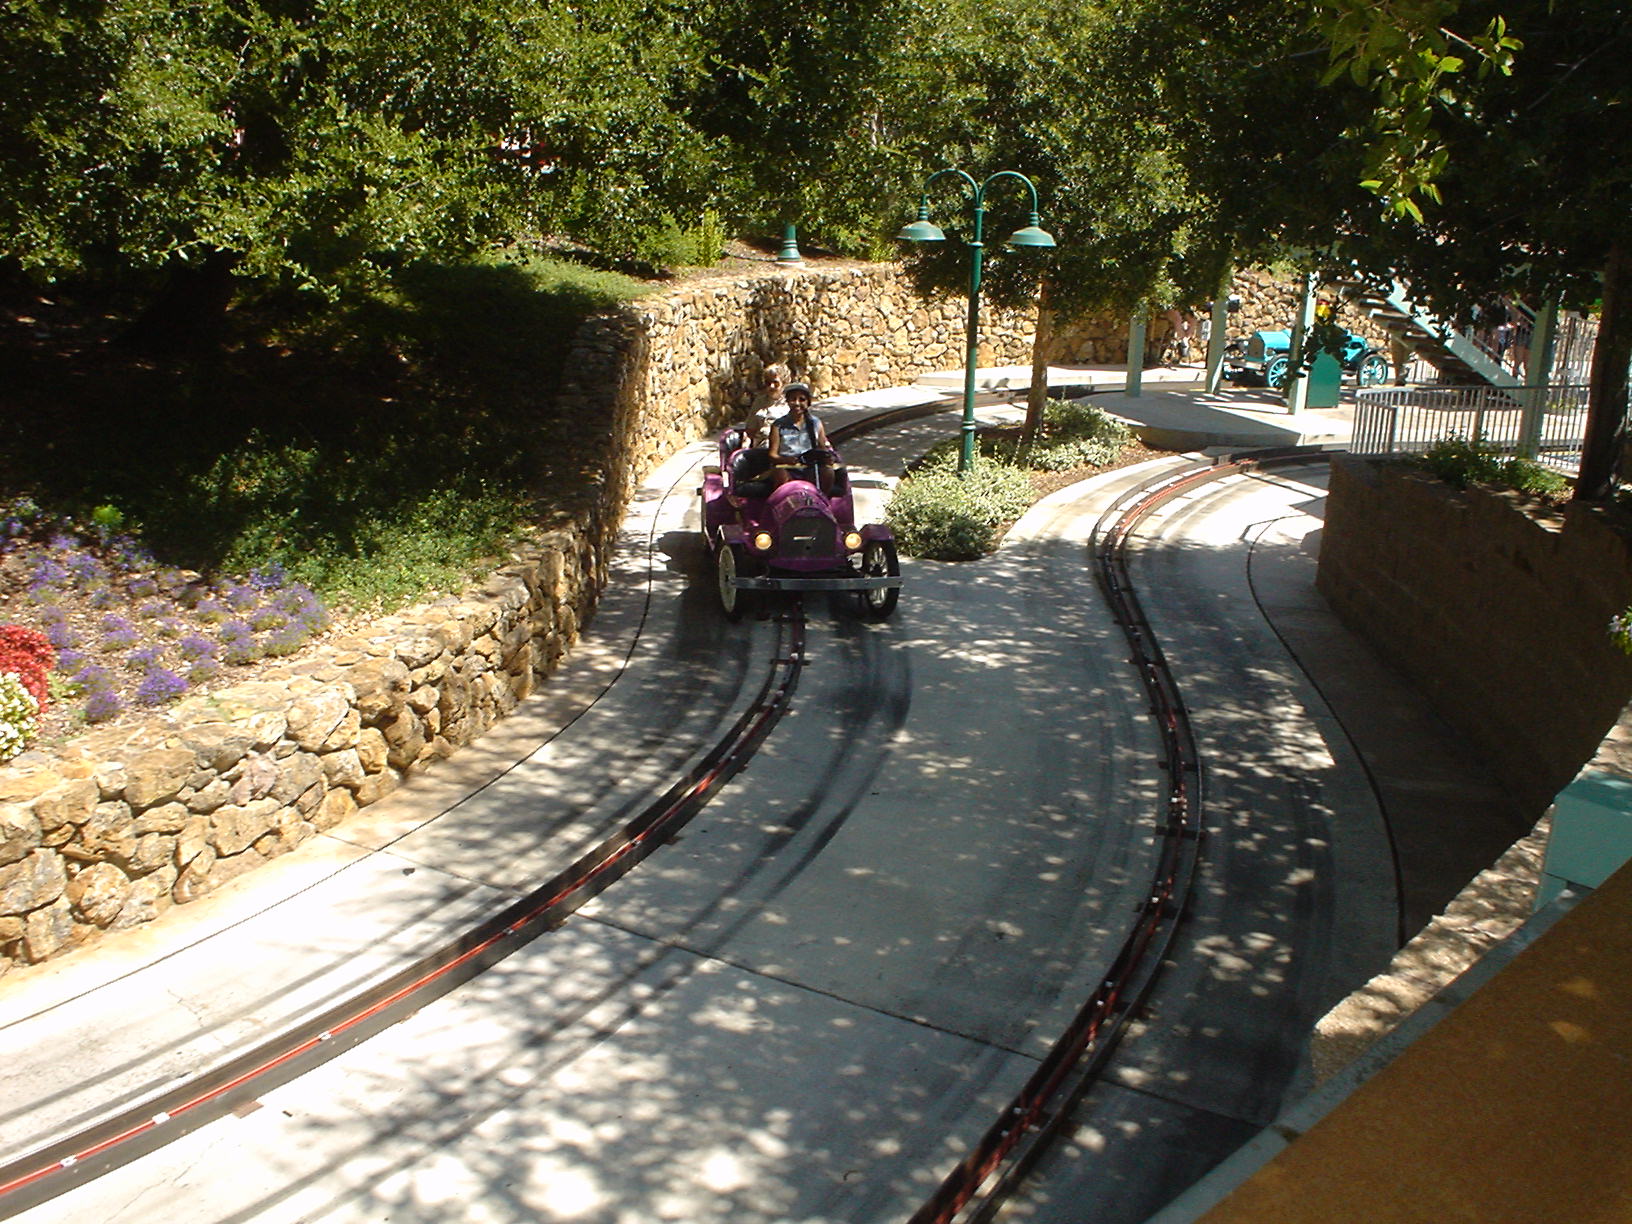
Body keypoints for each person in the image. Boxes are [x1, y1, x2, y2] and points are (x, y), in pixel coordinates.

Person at [767, 382, 836, 493]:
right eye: (793, 399)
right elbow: (772, 454)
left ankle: (822, 503)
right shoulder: (778, 425)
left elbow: (822, 448)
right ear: (788, 402)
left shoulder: (815, 423)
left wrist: (826, 457)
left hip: (810, 467)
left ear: (808, 402)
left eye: (802, 399)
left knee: (828, 473)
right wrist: (786, 460)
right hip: (787, 467)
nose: (797, 403)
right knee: (780, 476)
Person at [748, 362, 790, 445]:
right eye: (768, 383)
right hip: (762, 446)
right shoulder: (759, 402)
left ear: (784, 383)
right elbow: (750, 429)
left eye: (776, 383)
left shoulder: (790, 403)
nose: (771, 386)